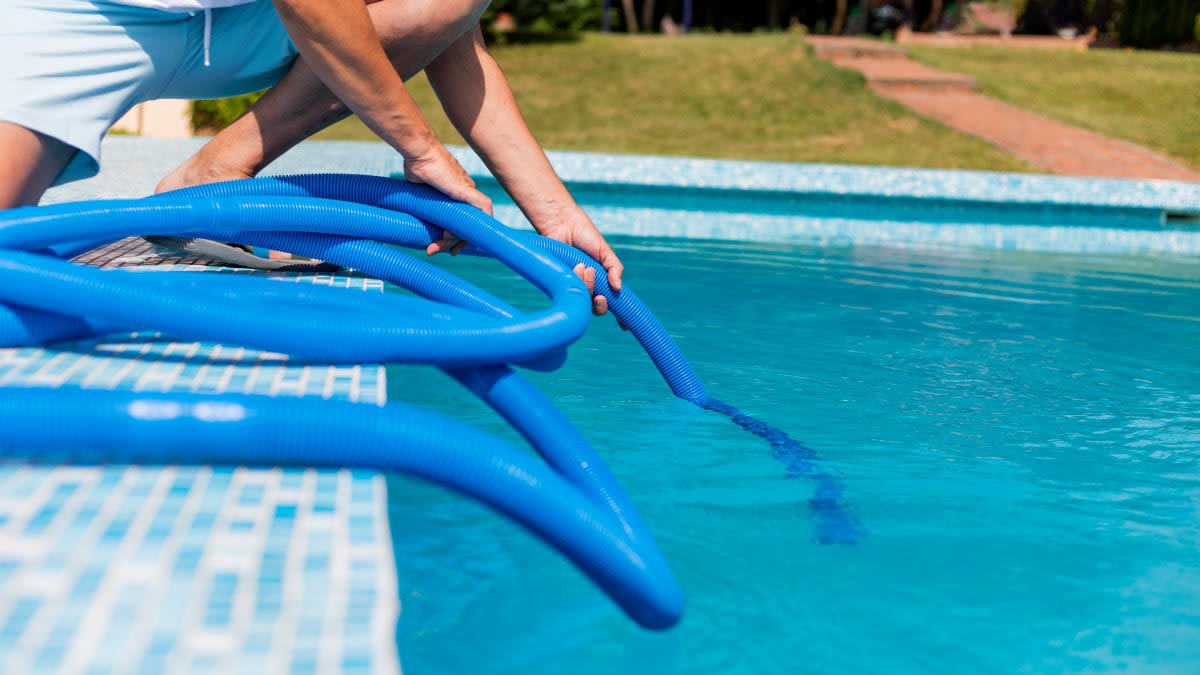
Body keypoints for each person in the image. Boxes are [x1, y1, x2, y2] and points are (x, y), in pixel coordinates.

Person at [0, 0, 623, 315]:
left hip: (251, 24)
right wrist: (423, 150)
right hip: (76, 21)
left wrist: (555, 216)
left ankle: (215, 169)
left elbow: (453, 36)